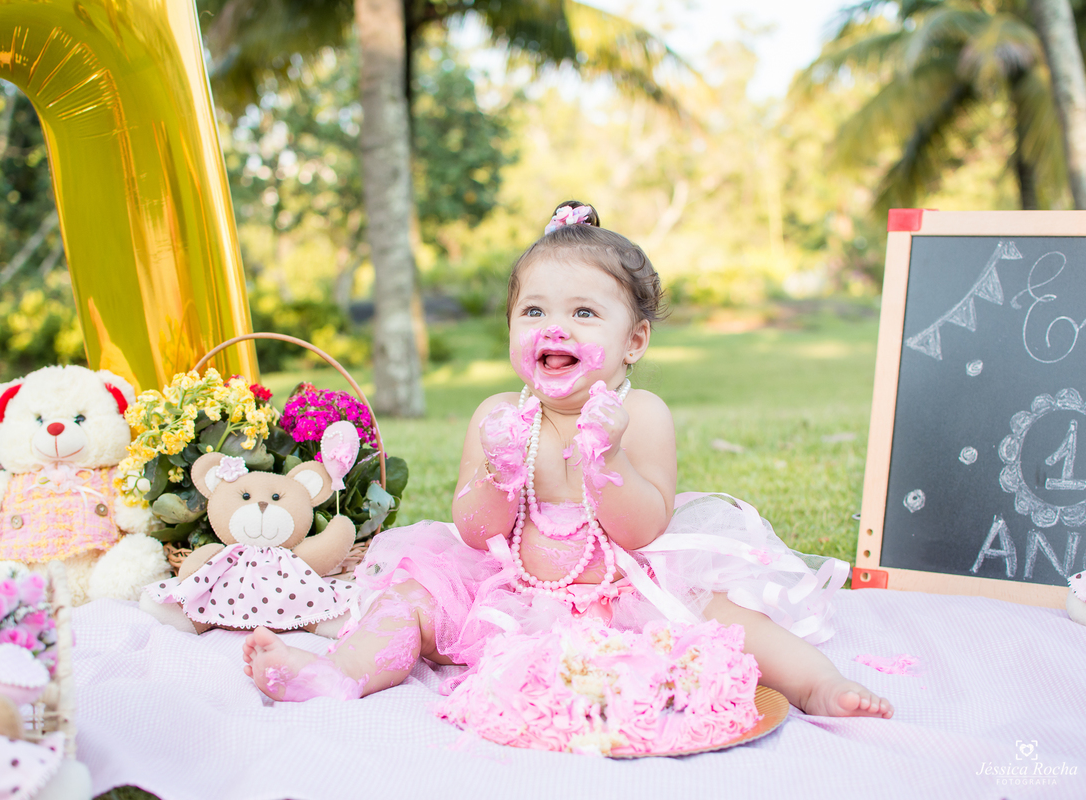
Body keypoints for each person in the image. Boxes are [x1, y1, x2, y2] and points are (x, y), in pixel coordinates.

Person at [243, 201, 893, 719]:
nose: (555, 328)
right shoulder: (499, 414)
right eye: (533, 311)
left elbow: (642, 529)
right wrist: (498, 472)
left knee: (725, 618)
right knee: (411, 599)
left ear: (634, 340)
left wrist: (608, 458)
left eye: (584, 312)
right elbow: (474, 530)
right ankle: (337, 673)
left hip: (623, 589)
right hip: (511, 588)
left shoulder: (642, 415)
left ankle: (816, 684)